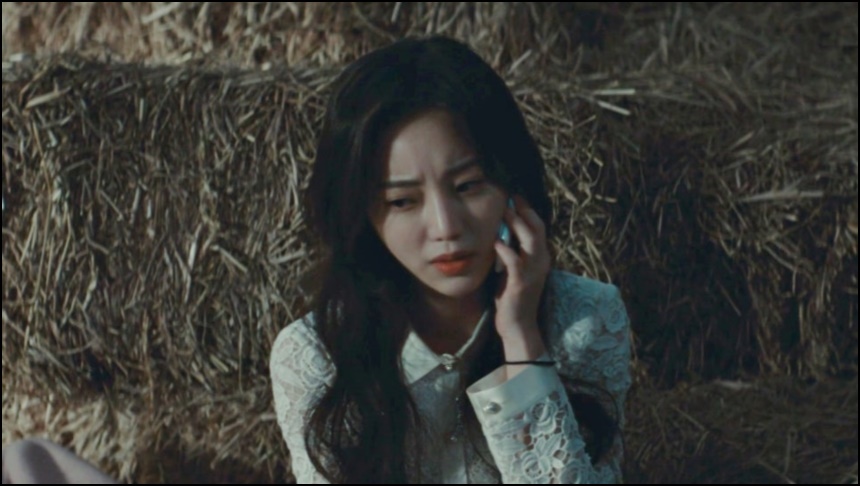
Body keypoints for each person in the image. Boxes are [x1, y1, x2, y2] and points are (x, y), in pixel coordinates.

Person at [269, 35, 633, 484]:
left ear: (513, 185)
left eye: (468, 186)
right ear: (362, 216)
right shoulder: (317, 356)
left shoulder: (585, 319)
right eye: (402, 201)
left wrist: (522, 339)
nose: (445, 227)